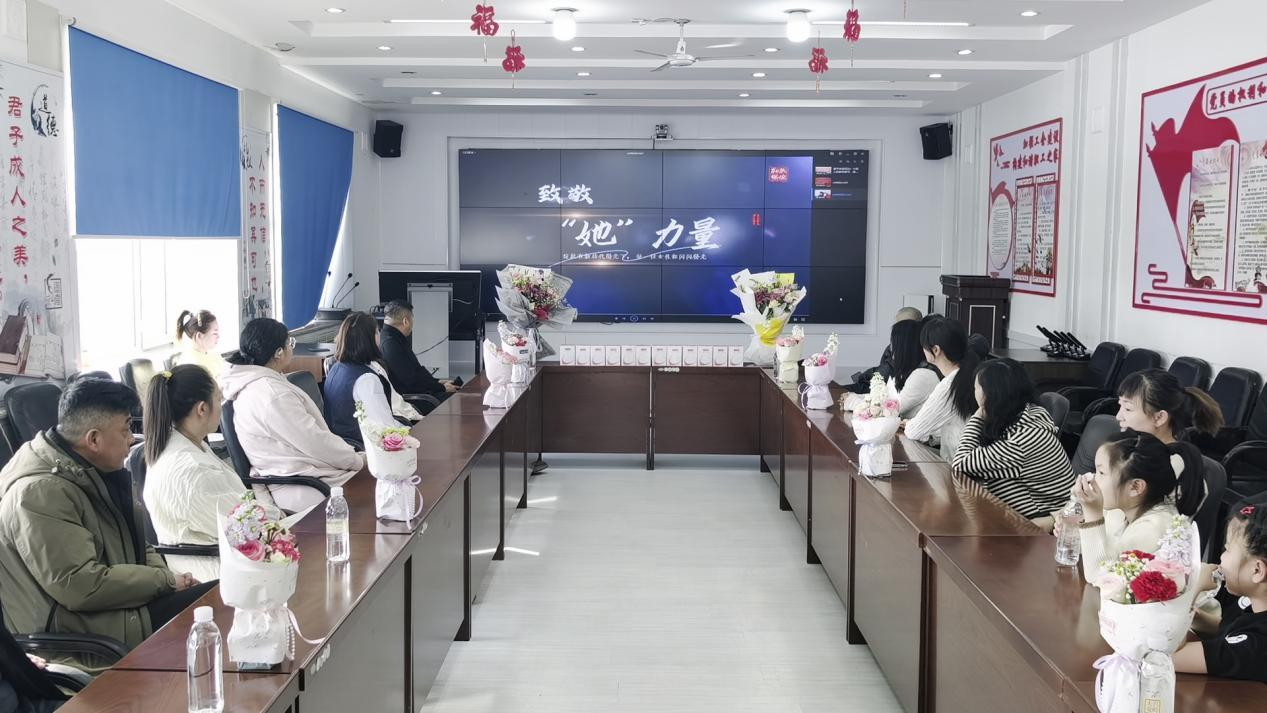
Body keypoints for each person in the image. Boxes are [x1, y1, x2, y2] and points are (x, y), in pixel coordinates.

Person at [0, 379, 214, 671]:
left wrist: (166, 580)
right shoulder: (40, 493)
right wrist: (163, 582)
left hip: (122, 607)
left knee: (221, 599)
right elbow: (81, 586)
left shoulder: (88, 470)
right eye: (125, 429)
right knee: (219, 607)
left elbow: (139, 543)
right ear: (94, 439)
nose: (131, 439)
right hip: (87, 634)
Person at [220, 318, 364, 513]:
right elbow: (314, 441)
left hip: (298, 473)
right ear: (279, 353)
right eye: (290, 343)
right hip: (305, 485)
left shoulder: (253, 385)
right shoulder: (272, 395)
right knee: (377, 483)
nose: (291, 348)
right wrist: (355, 459)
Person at [142, 365, 247, 583]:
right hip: (216, 573)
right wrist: (276, 516)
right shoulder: (191, 470)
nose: (221, 406)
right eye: (218, 399)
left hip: (221, 555)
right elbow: (242, 527)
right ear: (202, 409)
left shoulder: (185, 444)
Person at [1072, 430, 1206, 583]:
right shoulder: (1125, 506)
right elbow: (1102, 549)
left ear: (1135, 487)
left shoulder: (1153, 528)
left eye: (1101, 473)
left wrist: (1093, 514)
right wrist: (1075, 531)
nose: (1093, 479)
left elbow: (1099, 577)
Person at [951, 358, 1074, 523]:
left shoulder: (1021, 442)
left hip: (1040, 524)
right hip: (1032, 515)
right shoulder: (1027, 414)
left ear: (991, 395)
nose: (974, 393)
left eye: (976, 388)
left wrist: (979, 415)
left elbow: (960, 463)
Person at [1172, 503, 1267, 681]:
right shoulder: (1253, 601)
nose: (1221, 557)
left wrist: (1193, 589)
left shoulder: (1257, 646)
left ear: (1257, 570)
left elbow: (1169, 657)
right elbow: (1233, 631)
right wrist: (1198, 618)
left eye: (1227, 549)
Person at [1071, 368, 1224, 476]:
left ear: (1159, 417)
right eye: (1120, 406)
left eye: (1128, 409)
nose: (1119, 416)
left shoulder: (1171, 469)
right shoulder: (1134, 448)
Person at [325, 312, 410, 448]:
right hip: (366, 448)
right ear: (370, 338)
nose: (380, 335)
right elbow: (384, 428)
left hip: (341, 444)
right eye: (377, 331)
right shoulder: (367, 379)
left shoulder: (335, 368)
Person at [903, 318, 979, 459]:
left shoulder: (950, 386)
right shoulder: (970, 374)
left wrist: (908, 424)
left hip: (956, 463)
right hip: (968, 458)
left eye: (923, 346)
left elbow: (914, 431)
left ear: (936, 350)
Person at [379, 300, 457, 415]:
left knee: (457, 391)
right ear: (406, 321)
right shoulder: (390, 344)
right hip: (413, 400)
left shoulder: (394, 338)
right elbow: (410, 381)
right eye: (412, 318)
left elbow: (417, 371)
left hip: (420, 393)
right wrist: (441, 388)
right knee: (457, 399)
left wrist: (438, 382)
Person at [845, 306, 924, 394]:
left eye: (899, 325)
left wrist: (863, 378)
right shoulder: (918, 344)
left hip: (883, 387)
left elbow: (885, 373)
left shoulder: (909, 350)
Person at [171, 309, 227, 378]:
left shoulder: (214, 354)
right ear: (199, 336)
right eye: (215, 333)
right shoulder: (192, 366)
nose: (218, 337)